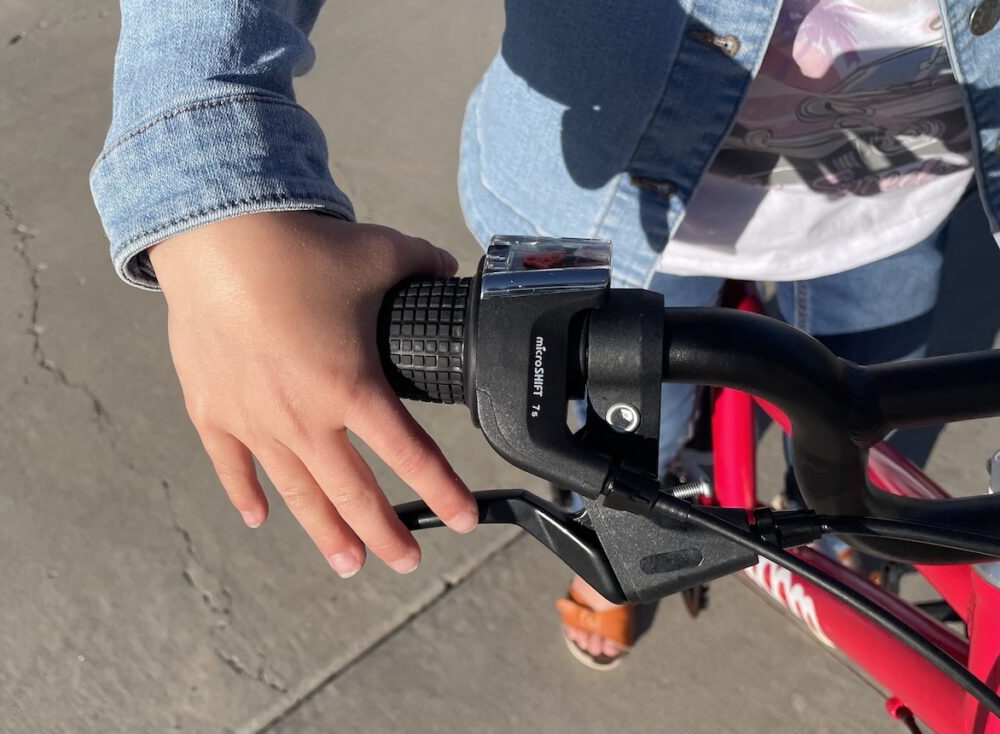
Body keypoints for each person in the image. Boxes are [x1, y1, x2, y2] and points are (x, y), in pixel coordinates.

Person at [91, 0, 1000, 669]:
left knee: (867, 429)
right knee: (633, 438)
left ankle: (851, 541)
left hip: (894, 214)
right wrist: (205, 160)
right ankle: (624, 537)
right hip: (620, 217)